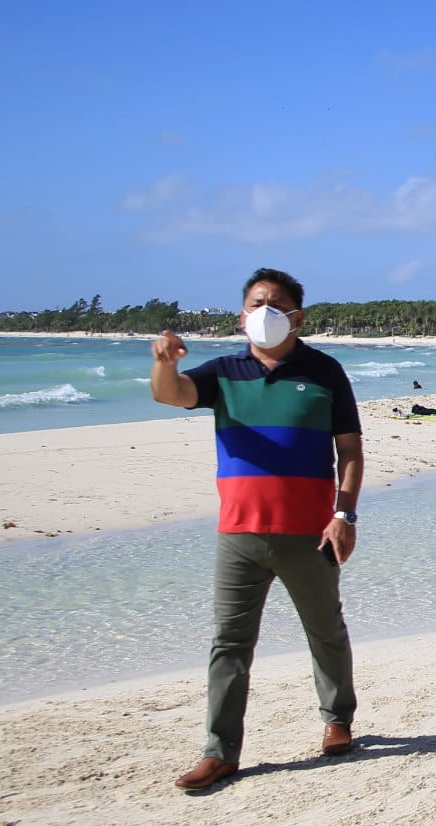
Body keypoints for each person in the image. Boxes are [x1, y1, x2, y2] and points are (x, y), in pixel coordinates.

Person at [151, 267, 364, 791]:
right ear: (241, 315)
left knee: (325, 631)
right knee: (229, 643)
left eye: (276, 303)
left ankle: (337, 719)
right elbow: (171, 395)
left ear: (298, 317)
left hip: (310, 532)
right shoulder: (223, 373)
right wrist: (164, 363)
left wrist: (344, 516)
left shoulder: (325, 371)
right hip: (239, 534)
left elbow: (349, 451)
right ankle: (220, 752)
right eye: (255, 303)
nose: (265, 311)